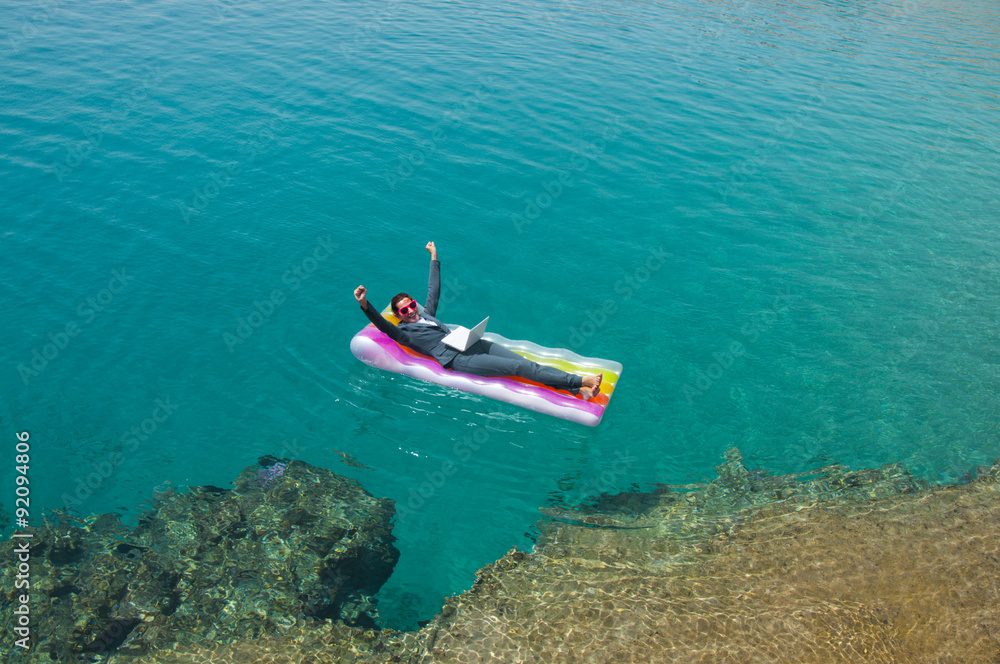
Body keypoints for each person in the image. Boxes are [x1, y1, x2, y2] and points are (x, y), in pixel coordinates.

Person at [354, 241, 603, 399]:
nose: (410, 310)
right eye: (404, 310)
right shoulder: (404, 333)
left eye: (410, 305)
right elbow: (383, 325)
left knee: (525, 363)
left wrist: (434, 256)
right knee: (521, 369)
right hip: (459, 359)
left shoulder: (426, 314)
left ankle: (576, 390)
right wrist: (365, 303)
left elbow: (434, 290)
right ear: (398, 315)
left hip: (472, 343)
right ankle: (581, 380)